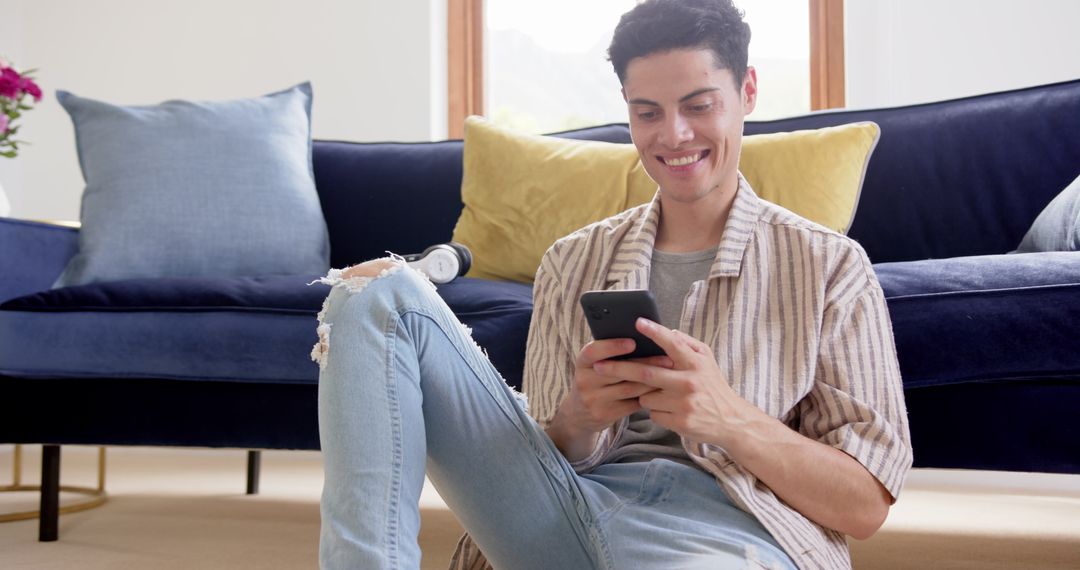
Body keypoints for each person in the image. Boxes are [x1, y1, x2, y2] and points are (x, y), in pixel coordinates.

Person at [314, 0, 913, 568]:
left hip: (726, 535)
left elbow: (864, 506)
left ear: (747, 92)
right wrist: (577, 419)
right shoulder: (571, 260)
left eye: (699, 106)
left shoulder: (830, 267)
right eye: (648, 113)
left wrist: (731, 419)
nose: (673, 135)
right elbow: (538, 460)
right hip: (564, 516)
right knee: (376, 295)